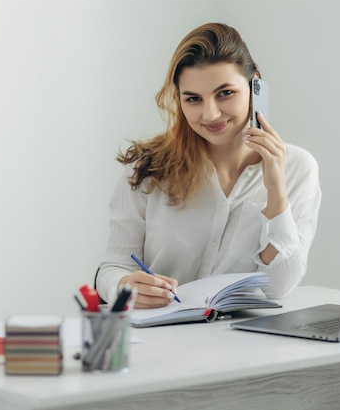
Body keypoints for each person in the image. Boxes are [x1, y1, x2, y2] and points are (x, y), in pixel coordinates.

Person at [95, 23, 321, 308]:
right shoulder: (148, 168)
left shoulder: (298, 168)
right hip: (160, 338)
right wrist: (122, 285)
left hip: (244, 343)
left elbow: (278, 288)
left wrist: (276, 189)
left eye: (225, 93)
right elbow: (112, 267)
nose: (210, 113)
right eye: (193, 99)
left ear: (256, 85)